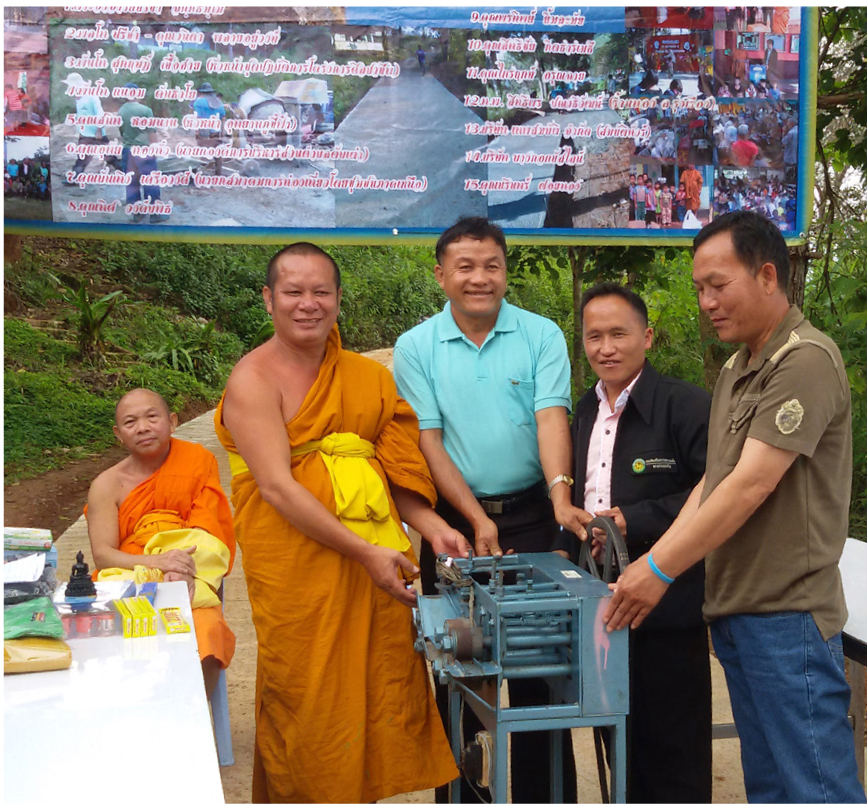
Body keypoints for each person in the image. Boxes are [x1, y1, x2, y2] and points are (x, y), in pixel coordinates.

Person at [603, 211, 867, 804]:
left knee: (816, 786)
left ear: (767, 276)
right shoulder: (738, 369)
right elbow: (712, 483)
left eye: (718, 285)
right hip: (736, 609)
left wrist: (659, 569)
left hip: (787, 614)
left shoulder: (805, 362)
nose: (706, 302)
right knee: (770, 788)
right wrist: (656, 563)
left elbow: (750, 485)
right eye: (700, 289)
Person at [214, 242, 462, 803]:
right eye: (294, 292)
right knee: (306, 702)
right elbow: (277, 486)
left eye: (321, 292)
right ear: (268, 299)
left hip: (372, 566)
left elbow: (391, 468)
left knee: (373, 696)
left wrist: (431, 525)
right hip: (303, 572)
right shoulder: (253, 379)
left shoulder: (365, 377)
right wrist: (364, 552)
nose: (309, 304)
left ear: (339, 300)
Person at [394, 217, 587, 803]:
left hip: (533, 518)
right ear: (441, 276)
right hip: (454, 528)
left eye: (492, 266)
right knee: (461, 678)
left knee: (541, 680)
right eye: (465, 267)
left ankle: (544, 797)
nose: (480, 278)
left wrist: (560, 497)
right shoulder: (415, 346)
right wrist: (476, 520)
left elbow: (551, 416)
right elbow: (428, 440)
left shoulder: (541, 334)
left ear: (506, 272)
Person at [571, 283, 713, 802]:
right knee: (618, 741)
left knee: (674, 747)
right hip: (603, 606)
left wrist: (636, 517)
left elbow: (718, 494)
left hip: (669, 604)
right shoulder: (585, 409)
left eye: (618, 334)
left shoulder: (686, 406)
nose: (605, 348)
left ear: (647, 337)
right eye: (593, 337)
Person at [85, 388, 236, 697]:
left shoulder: (197, 461)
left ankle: (195, 717)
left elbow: (208, 532)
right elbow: (103, 555)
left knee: (204, 628)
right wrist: (155, 563)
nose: (142, 427)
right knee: (108, 631)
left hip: (187, 574)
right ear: (118, 434)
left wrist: (183, 569)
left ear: (172, 421)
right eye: (130, 422)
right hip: (130, 576)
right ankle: (133, 707)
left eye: (152, 417)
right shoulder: (106, 485)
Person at [117, 83, 167, 223]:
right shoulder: (145, 110)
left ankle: (137, 213)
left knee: (132, 183)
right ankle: (155, 213)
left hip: (128, 150)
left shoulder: (121, 111)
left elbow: (121, 132)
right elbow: (151, 132)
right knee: (150, 181)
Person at [63, 73, 120, 180]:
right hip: (84, 134)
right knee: (82, 158)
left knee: (110, 158)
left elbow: (100, 113)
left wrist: (99, 129)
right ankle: (75, 178)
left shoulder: (92, 97)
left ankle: (128, 173)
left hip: (96, 134)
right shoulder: (78, 98)